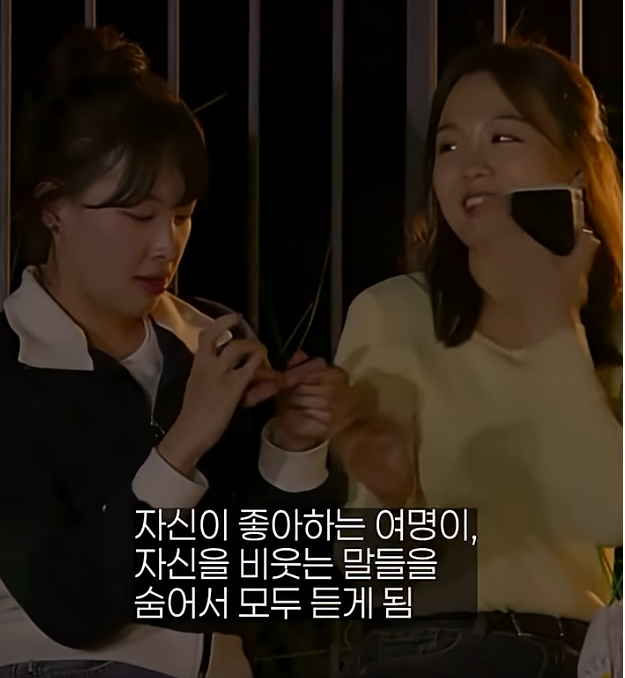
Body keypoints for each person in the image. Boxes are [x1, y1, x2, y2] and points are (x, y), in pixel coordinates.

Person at [0, 26, 349, 678]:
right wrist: (182, 444)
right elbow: (73, 606)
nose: (166, 245)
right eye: (138, 216)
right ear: (53, 208)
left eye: (182, 215)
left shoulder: (212, 341)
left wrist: (293, 445)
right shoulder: (12, 363)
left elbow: (276, 580)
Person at [333, 40, 622, 678]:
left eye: (503, 138)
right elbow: (366, 572)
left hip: (578, 654)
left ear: (576, 168)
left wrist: (554, 325)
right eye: (448, 146)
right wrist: (398, 501)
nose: (470, 166)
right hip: (437, 650)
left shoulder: (610, 326)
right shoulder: (396, 312)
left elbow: (612, 511)